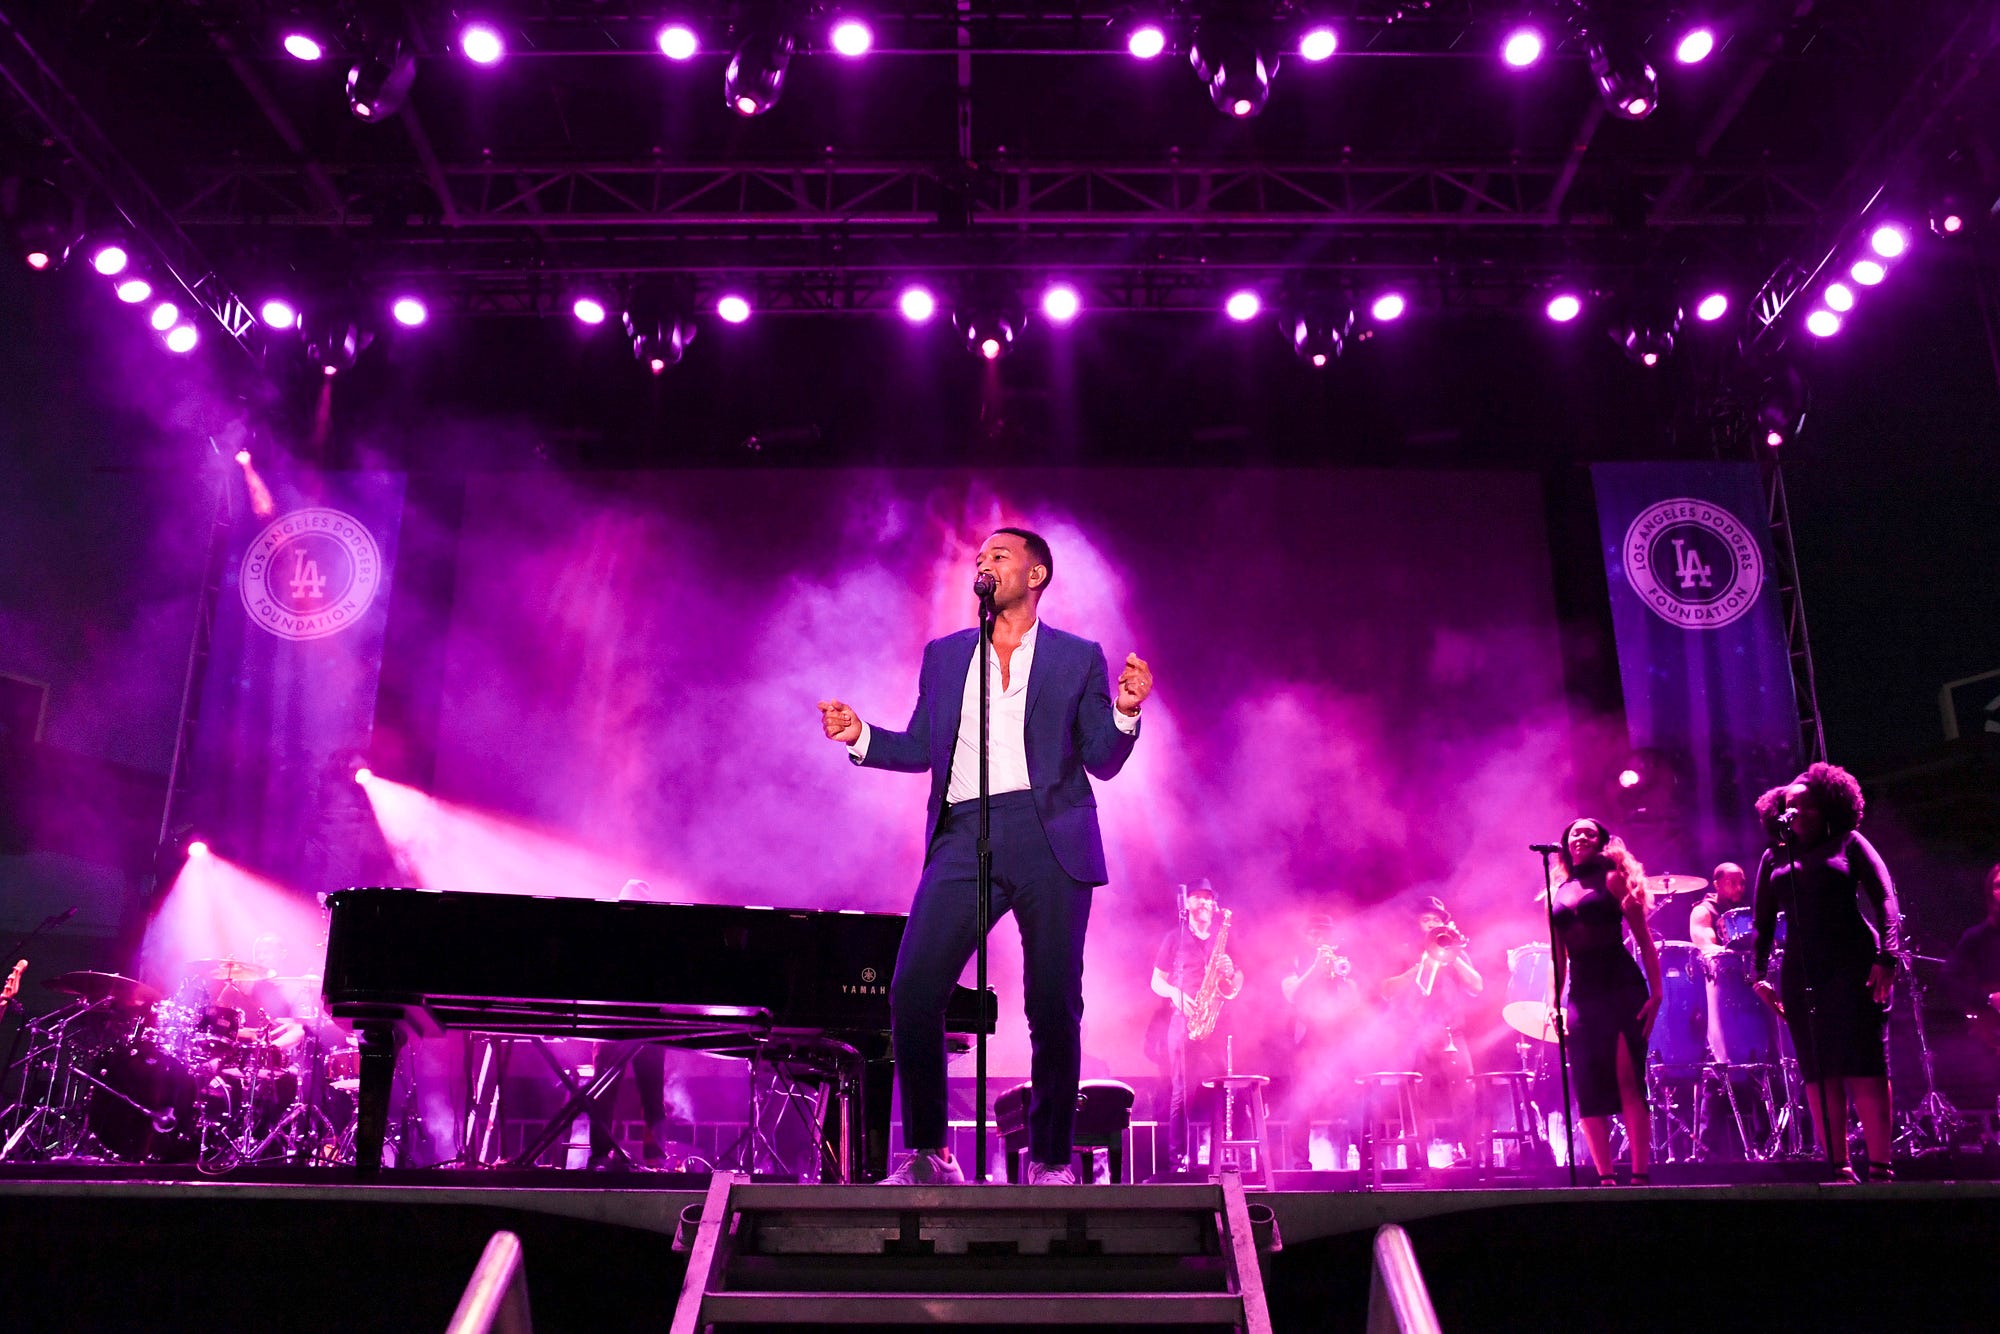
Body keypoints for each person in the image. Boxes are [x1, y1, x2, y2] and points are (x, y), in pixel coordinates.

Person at [819, 527, 1151, 1185]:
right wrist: (860, 735)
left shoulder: (1076, 657)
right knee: (914, 988)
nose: (984, 563)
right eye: (978, 557)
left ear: (1035, 576)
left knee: (1053, 1002)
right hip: (962, 834)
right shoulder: (944, 657)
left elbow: (1103, 762)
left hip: (1048, 831)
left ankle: (1052, 1158)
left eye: (999, 555)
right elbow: (921, 747)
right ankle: (928, 1154)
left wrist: (1124, 711)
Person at [1751, 763, 1902, 1182]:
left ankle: (1881, 1166)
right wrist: (1758, 975)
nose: (1795, 810)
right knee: (1818, 1068)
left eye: (1805, 803)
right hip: (1802, 969)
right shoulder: (1774, 856)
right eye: (1788, 804)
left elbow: (1885, 899)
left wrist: (1888, 957)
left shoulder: (1848, 842)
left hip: (1854, 962)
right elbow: (1762, 922)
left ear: (1827, 807)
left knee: (1865, 1062)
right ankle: (1838, 1165)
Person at [1549, 818, 1663, 1186]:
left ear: (1600, 843)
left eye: (1589, 833)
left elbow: (1643, 940)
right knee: (1586, 1082)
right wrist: (1555, 1001)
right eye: (1574, 833)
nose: (1580, 837)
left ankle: (1640, 1175)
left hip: (1620, 987)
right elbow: (1558, 956)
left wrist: (1657, 991)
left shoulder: (1613, 880)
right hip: (1582, 993)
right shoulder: (1557, 891)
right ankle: (1605, 1177)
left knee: (1628, 1078)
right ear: (1565, 843)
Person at [1149, 880, 1244, 1171]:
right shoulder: (1173, 938)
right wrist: (1175, 994)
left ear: (1214, 906)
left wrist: (1231, 975)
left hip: (1216, 1021)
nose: (1204, 903)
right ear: (1187, 904)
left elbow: (1239, 978)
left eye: (1208, 899)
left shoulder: (1224, 938)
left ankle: (1225, 1157)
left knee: (1225, 1090)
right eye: (1198, 898)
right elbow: (1155, 982)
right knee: (1182, 1092)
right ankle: (1179, 1160)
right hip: (1183, 1021)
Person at [1380, 898, 1482, 1164]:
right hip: (1416, 1036)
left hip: (1452, 1034)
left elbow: (1476, 986)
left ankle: (1469, 1154)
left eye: (1437, 920)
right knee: (1417, 1099)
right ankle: (1417, 1158)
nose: (1433, 924)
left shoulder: (1455, 952)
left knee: (1465, 1095)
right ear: (1417, 924)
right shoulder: (1404, 952)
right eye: (1427, 920)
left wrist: (1454, 956)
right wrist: (1420, 966)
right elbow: (1386, 991)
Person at [1280, 913, 1361, 1166]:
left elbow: (1355, 1000)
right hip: (1307, 1038)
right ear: (1306, 937)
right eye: (1315, 933)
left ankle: (1361, 1155)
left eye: (1325, 933)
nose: (1320, 938)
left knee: (1352, 1097)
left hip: (1338, 1037)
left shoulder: (1343, 959)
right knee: (1302, 1100)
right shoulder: (1294, 959)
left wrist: (1339, 977)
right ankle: (1300, 1161)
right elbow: (1291, 994)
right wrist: (1315, 968)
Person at [1943, 863, 2000, 1019]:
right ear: (1990, 893)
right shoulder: (1976, 936)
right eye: (1999, 885)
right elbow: (1948, 978)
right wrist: (1987, 999)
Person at [1689, 862, 1751, 953]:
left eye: (1742, 883)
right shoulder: (1703, 911)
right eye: (1732, 883)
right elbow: (1705, 947)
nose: (1739, 888)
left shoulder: (1744, 909)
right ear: (1717, 885)